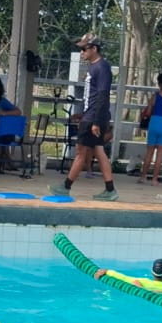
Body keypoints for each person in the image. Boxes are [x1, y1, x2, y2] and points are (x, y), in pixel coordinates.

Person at [52, 35, 118, 200]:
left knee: (81, 152)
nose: (81, 53)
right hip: (91, 115)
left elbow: (102, 95)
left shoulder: (102, 68)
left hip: (94, 117)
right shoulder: (93, 67)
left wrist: (95, 121)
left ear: (94, 49)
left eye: (84, 49)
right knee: (98, 150)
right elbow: (92, 95)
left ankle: (66, 186)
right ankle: (110, 189)